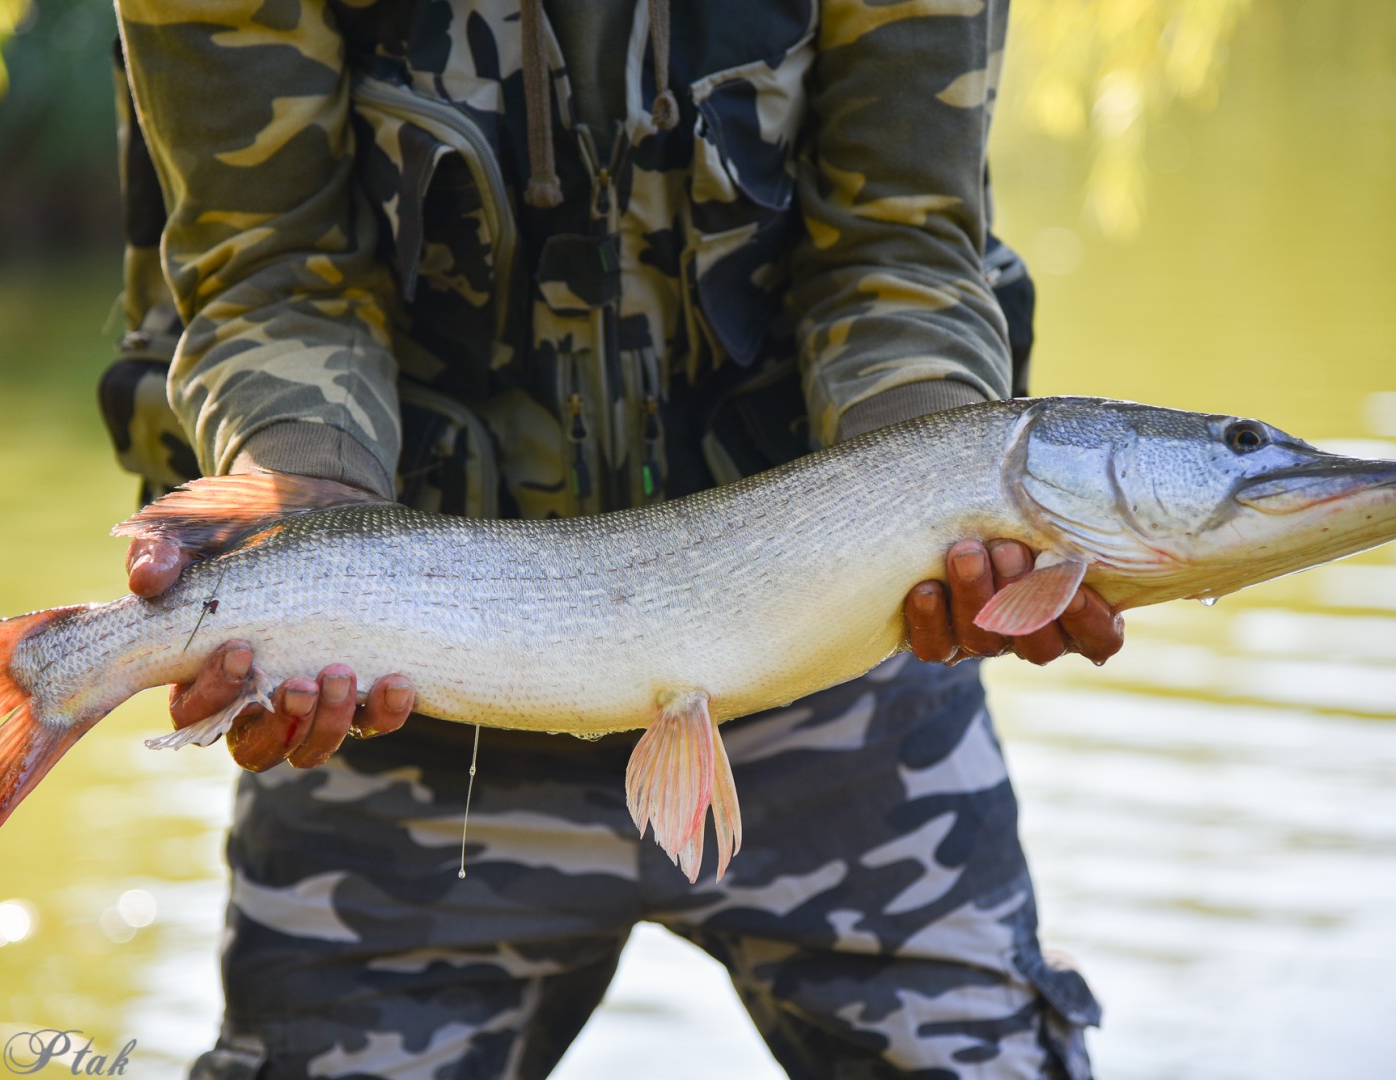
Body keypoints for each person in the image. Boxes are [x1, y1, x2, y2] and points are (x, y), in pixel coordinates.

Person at [104, 2, 1123, 1076]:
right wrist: (301, 487)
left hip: (838, 661)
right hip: (399, 711)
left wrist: (931, 496)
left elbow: (900, 242)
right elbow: (275, 263)